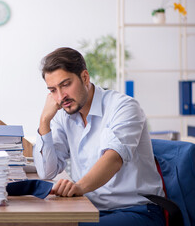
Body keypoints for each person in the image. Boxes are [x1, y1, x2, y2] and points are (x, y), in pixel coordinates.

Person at [33, 47, 166, 226]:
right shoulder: (63, 115)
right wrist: (44, 121)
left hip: (137, 210)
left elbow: (113, 159)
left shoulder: (123, 107)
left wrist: (78, 187)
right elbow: (47, 171)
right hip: (90, 208)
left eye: (65, 85)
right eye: (53, 90)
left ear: (85, 77)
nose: (60, 97)